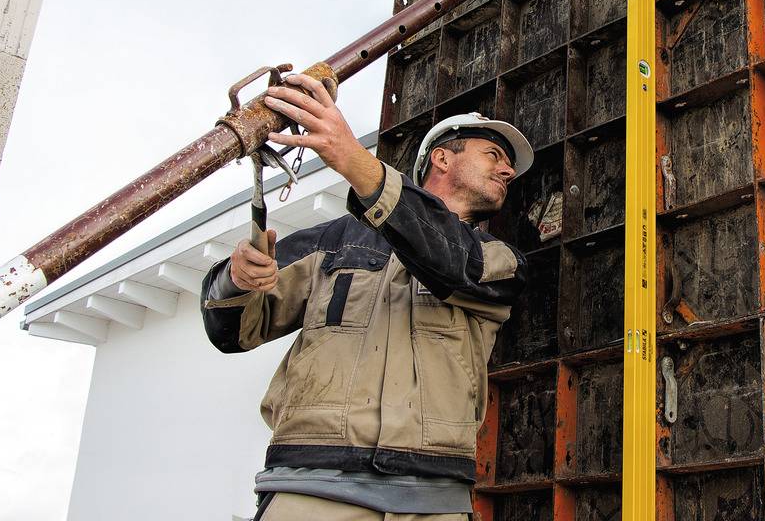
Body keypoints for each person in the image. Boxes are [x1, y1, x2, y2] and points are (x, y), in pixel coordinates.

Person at [200, 72, 533, 521]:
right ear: (442, 158)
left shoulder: (497, 259)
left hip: (433, 499)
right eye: (493, 154)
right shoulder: (331, 244)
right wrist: (236, 279)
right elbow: (232, 331)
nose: (507, 170)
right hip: (311, 488)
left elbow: (450, 260)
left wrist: (351, 157)